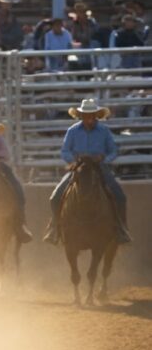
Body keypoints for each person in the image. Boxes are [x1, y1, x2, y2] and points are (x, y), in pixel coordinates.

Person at [44, 99, 130, 245]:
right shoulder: (72, 131)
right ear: (81, 116)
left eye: (92, 115)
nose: (89, 118)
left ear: (96, 115)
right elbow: (65, 150)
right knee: (55, 197)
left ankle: (121, 229)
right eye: (86, 115)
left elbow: (113, 150)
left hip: (99, 168)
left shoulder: (104, 131)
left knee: (120, 196)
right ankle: (55, 228)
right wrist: (72, 162)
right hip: (79, 168)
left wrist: (104, 159)